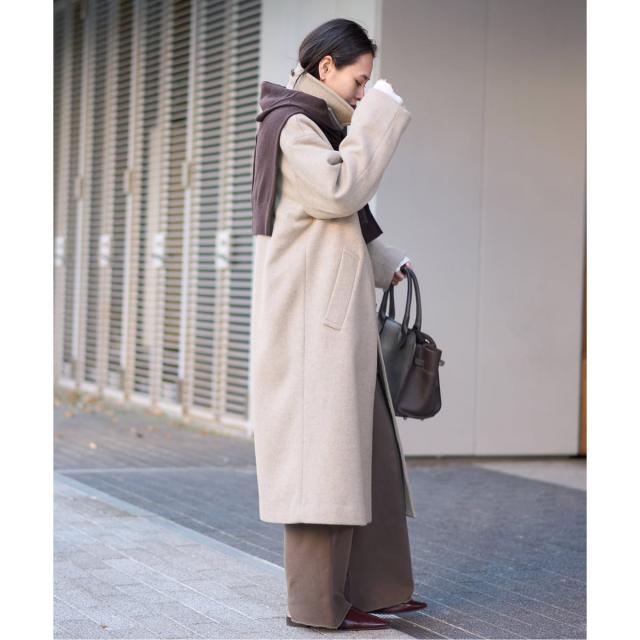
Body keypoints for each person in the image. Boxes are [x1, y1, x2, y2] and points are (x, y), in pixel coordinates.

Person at [249, 18, 427, 631]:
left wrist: (386, 262)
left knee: (366, 456)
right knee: (320, 466)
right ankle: (316, 604)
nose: (363, 91)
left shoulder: (316, 125)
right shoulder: (292, 125)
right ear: (326, 67)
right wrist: (377, 119)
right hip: (311, 331)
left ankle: (376, 587)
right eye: (359, 80)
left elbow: (334, 219)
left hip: (335, 326)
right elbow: (336, 191)